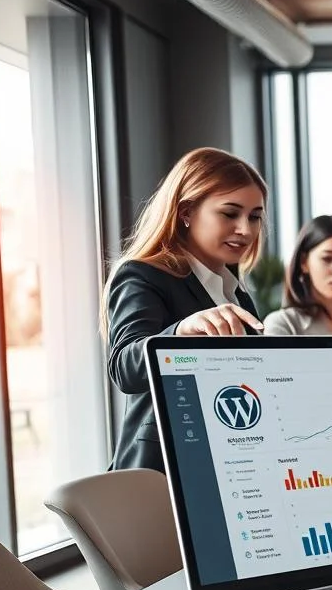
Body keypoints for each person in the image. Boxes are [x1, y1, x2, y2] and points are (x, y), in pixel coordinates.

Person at [104, 147, 267, 472]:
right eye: (230, 213)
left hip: (228, 462)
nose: (245, 230)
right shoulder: (143, 275)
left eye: (254, 216)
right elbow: (124, 367)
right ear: (186, 212)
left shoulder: (235, 292)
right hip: (162, 472)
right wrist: (180, 332)